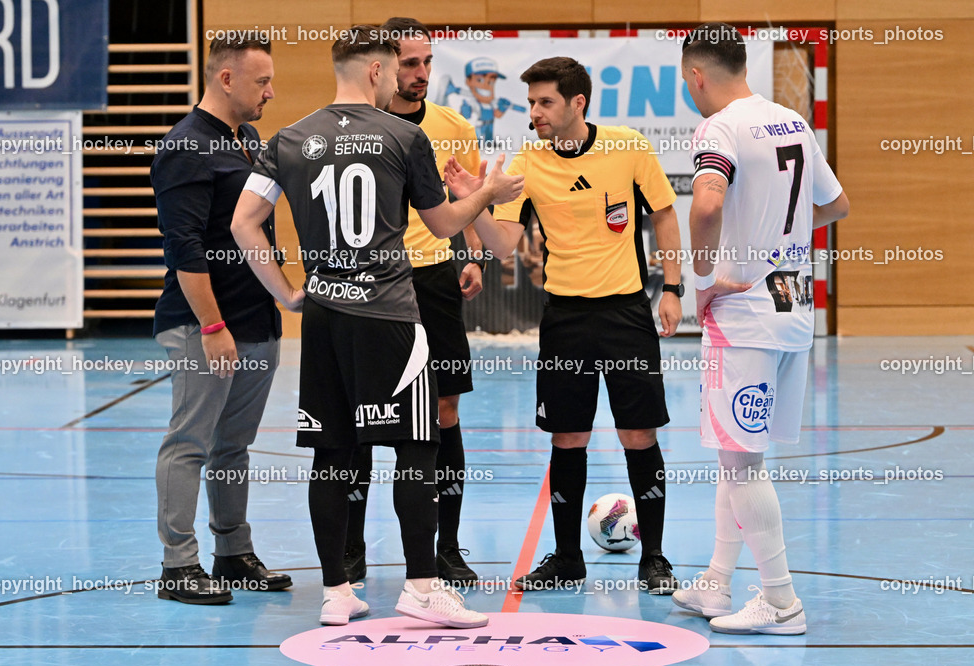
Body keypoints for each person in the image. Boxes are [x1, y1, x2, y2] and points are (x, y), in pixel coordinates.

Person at [229, 26, 523, 627]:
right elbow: (442, 226)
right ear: (374, 72)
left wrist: (287, 292)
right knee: (418, 448)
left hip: (325, 322)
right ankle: (420, 585)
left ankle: (337, 591)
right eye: (395, 70)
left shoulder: (287, 138)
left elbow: (243, 224)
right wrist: (488, 190)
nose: (399, 80)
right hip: (391, 318)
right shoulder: (403, 135)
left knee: (332, 455)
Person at [444, 56, 684, 594]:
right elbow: (503, 244)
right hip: (564, 318)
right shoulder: (527, 160)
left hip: (625, 313)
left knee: (638, 434)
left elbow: (665, 213)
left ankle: (656, 558)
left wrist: (672, 288)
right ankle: (568, 557)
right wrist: (473, 198)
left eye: (545, 101)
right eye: (531, 102)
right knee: (567, 437)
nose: (535, 112)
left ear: (578, 102)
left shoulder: (627, 147)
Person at [671, 23, 849, 635]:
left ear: (697, 74)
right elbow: (836, 205)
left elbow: (709, 203)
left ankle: (780, 601)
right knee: (736, 455)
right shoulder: (790, 120)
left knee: (743, 464)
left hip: (744, 319)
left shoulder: (719, 127)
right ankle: (717, 583)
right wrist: (783, 245)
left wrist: (705, 275)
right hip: (792, 312)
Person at [342, 17, 485, 587]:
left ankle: (445, 547)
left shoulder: (453, 125)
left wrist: (472, 253)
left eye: (427, 62)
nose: (421, 73)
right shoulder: (355, 129)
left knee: (445, 414)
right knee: (362, 420)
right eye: (409, 63)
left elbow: (464, 195)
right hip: (373, 286)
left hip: (434, 283)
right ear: (380, 65)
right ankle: (350, 548)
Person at [150, 36, 291, 605]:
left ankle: (232, 552)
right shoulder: (185, 147)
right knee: (190, 441)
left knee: (233, 446)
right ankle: (178, 566)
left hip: (257, 323)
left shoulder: (249, 140)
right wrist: (212, 327)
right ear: (226, 79)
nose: (271, 92)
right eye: (261, 82)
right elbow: (184, 247)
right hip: (203, 326)